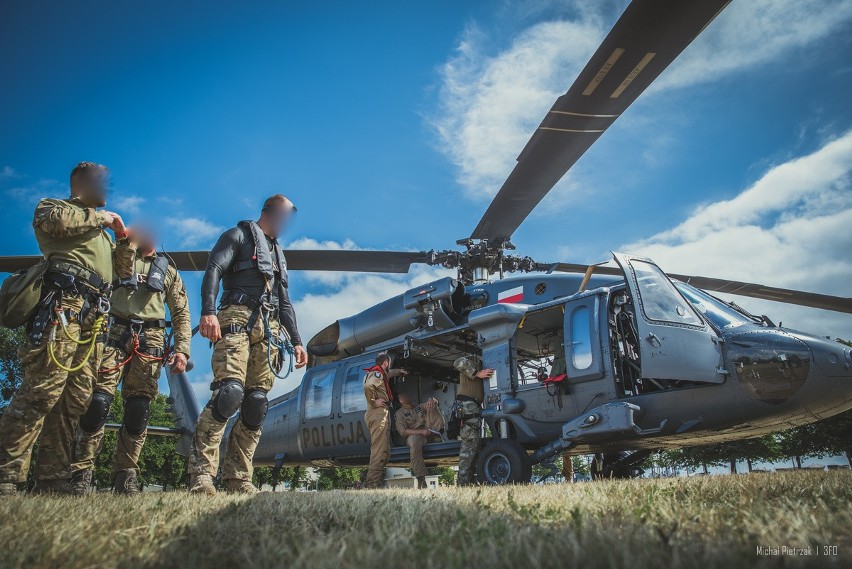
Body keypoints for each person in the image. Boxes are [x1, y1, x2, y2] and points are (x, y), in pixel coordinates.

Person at [0, 162, 134, 496]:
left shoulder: (101, 235)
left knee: (73, 402)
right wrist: (101, 218)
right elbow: (55, 222)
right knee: (41, 392)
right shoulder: (55, 207)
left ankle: (54, 479)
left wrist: (123, 241)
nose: (107, 188)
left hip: (94, 317)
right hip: (64, 307)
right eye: (102, 181)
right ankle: (6, 475)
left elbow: (122, 276)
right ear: (82, 183)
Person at [189, 194, 307, 495]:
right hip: (236, 316)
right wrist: (208, 312)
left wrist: (296, 341)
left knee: (256, 403)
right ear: (269, 212)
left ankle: (238, 477)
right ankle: (202, 474)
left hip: (269, 327)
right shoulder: (238, 236)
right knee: (230, 394)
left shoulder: (279, 254)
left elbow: (284, 301)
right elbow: (213, 269)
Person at [66, 224, 192, 494]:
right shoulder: (118, 257)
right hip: (113, 331)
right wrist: (125, 241)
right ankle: (81, 472)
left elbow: (181, 313)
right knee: (97, 403)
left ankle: (125, 474)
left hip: (152, 339)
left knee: (139, 410)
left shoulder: (168, 271)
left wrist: (182, 349)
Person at [362, 352, 407, 489]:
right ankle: (371, 484)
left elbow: (388, 374)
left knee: (385, 452)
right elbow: (369, 386)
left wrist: (399, 371)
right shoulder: (377, 374)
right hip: (377, 413)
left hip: (378, 413)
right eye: (389, 364)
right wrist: (374, 402)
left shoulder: (378, 373)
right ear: (386, 363)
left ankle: (376, 482)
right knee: (379, 451)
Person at [453, 356, 494, 486]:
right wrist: (477, 373)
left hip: (474, 407)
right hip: (468, 406)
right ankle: (463, 481)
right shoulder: (471, 360)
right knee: (469, 444)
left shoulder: (482, 362)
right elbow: (458, 362)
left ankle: (469, 479)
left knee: (474, 444)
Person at [394, 393, 443, 489]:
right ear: (399, 401)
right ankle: (421, 480)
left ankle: (439, 432)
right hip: (415, 435)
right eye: (401, 397)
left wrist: (431, 399)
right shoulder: (399, 413)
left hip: (430, 432)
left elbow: (432, 403)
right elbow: (403, 432)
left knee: (432, 405)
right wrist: (421, 432)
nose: (405, 397)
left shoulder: (419, 407)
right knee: (414, 442)